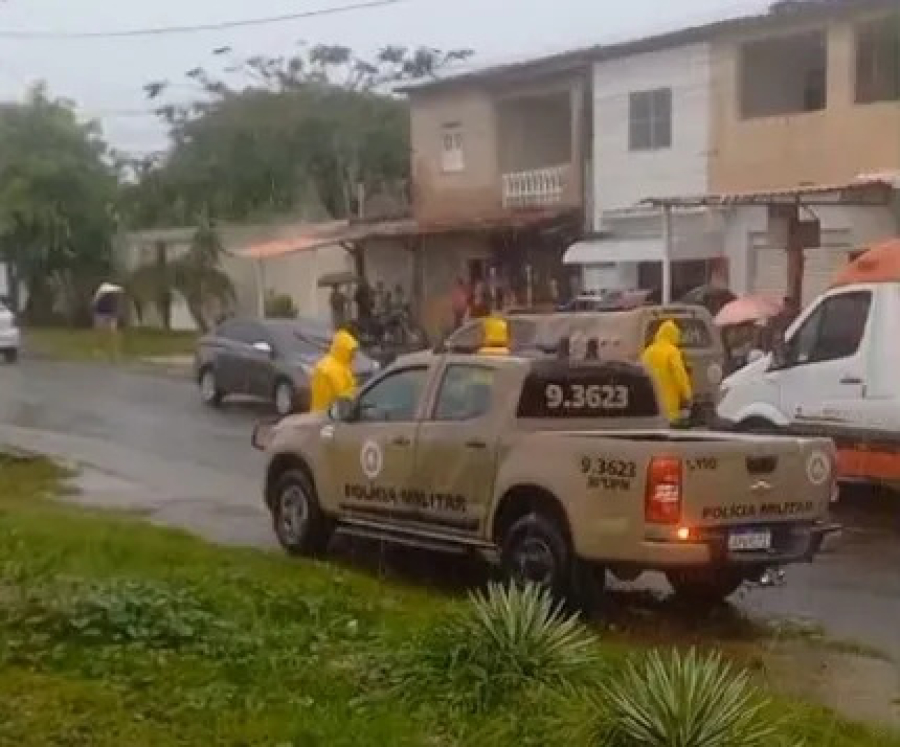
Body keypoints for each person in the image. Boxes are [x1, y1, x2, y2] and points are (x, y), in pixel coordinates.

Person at [641, 319, 693, 423]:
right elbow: (680, 375)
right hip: (670, 405)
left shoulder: (647, 352)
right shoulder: (672, 352)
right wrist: (687, 395)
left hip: (651, 403)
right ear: (673, 335)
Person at [310, 329, 359, 412]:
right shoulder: (330, 369)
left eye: (354, 351)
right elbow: (343, 395)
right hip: (327, 415)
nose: (354, 355)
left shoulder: (340, 365)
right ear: (343, 350)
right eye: (351, 351)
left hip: (328, 412)